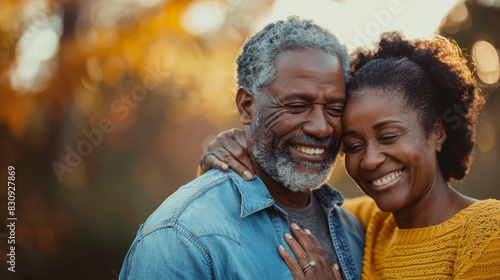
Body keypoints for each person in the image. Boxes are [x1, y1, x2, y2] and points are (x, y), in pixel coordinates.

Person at [199, 31, 500, 279]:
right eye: (354, 145)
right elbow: (276, 204)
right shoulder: (367, 223)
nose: (370, 160)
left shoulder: (486, 232)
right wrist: (231, 152)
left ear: (437, 132)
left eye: (388, 137)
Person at [119, 16, 365, 280]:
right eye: (296, 106)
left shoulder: (356, 230)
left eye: (335, 109)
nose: (321, 128)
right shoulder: (183, 236)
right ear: (247, 106)